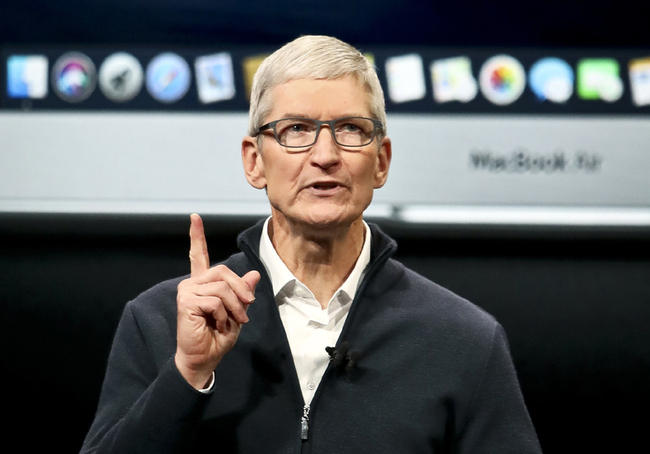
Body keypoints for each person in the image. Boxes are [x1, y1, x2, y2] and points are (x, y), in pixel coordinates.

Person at [81, 35, 542, 453]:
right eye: (296, 130)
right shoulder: (160, 321)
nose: (325, 156)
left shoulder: (464, 340)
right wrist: (188, 373)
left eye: (351, 129)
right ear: (254, 161)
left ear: (381, 162)